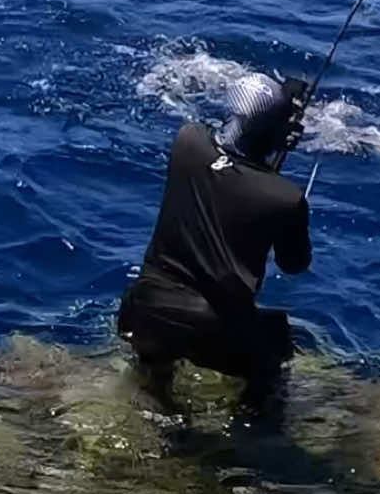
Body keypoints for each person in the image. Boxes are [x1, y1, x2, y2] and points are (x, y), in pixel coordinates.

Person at [118, 73, 311, 406]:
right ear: (275, 130)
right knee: (276, 354)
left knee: (156, 372)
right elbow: (293, 264)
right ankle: (252, 440)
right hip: (214, 329)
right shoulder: (286, 198)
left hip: (145, 310)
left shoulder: (187, 142)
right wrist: (276, 146)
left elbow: (230, 166)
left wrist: (273, 129)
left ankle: (154, 398)